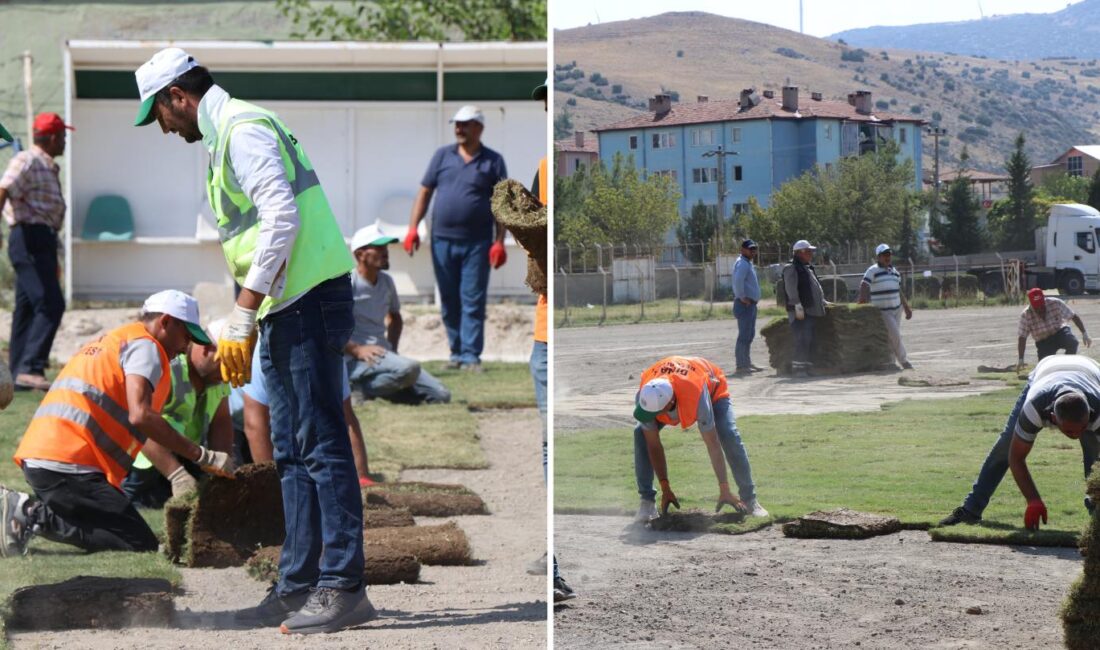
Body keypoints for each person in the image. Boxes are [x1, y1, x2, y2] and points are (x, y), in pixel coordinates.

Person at [134, 47, 373, 633]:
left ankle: (344, 585)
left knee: (320, 445)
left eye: (159, 115)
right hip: (286, 306)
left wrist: (242, 312)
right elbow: (254, 236)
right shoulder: (226, 137)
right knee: (291, 451)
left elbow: (282, 219)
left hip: (309, 300)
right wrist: (252, 313)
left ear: (177, 98)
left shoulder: (241, 129)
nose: (163, 128)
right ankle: (297, 585)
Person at [0, 290, 234, 556]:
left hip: (56, 460)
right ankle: (30, 514)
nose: (184, 347)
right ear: (166, 322)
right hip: (68, 465)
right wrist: (200, 456)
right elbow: (141, 415)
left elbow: (139, 420)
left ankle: (24, 515)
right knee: (140, 545)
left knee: (127, 535)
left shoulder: (121, 339)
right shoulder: (147, 347)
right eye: (185, 337)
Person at [940, 354, 1100, 529]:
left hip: (1091, 374)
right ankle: (970, 510)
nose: (1076, 435)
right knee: (1006, 446)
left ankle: (1097, 513)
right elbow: (1016, 458)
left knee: (1095, 457)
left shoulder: (1097, 410)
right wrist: (1033, 500)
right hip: (1046, 371)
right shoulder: (1034, 407)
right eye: (1069, 430)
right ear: (1053, 418)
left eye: (1082, 428)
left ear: (1089, 415)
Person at [404, 105, 509, 373]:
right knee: (450, 300)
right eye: (457, 125)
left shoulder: (493, 161)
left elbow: (501, 205)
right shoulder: (442, 156)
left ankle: (471, 357)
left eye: (465, 124)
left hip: (477, 243)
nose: (459, 129)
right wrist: (413, 228)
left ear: (479, 127)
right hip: (441, 241)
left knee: (472, 299)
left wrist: (499, 241)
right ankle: (456, 352)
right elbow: (424, 192)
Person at [632, 355, 768, 523]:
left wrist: (724, 488)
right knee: (640, 434)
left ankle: (750, 500)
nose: (651, 417)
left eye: (655, 413)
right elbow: (654, 445)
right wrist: (665, 487)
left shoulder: (695, 395)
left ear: (669, 404)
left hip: (712, 387)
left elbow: (712, 443)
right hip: (676, 381)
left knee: (728, 433)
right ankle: (647, 502)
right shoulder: (646, 395)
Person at [231, 340, 374, 486]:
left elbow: (345, 417)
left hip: (284, 422)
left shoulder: (331, 355)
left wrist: (361, 477)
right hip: (238, 426)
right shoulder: (265, 355)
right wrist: (274, 487)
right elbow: (255, 427)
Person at [122, 324, 234, 508]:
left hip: (187, 454)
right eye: (225, 364)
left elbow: (221, 423)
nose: (226, 375)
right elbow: (141, 424)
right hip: (146, 461)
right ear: (206, 349)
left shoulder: (217, 377)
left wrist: (223, 470)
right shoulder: (170, 370)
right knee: (130, 506)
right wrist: (177, 475)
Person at [0, 113, 73, 392]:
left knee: (27, 309)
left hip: (40, 240)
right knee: (51, 304)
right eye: (63, 136)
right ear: (53, 138)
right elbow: (3, 188)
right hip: (29, 238)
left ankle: (17, 373)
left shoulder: (45, 165)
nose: (65, 141)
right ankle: (31, 367)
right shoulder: (27, 160)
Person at [346, 224, 451, 405]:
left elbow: (395, 317)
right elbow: (328, 326)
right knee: (410, 368)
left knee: (441, 395)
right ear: (360, 254)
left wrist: (392, 348)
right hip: (356, 359)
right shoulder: (348, 283)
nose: (385, 252)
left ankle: (368, 389)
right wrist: (357, 350)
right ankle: (357, 385)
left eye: (385, 247)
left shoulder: (387, 282)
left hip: (382, 354)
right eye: (378, 248)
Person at [857, 244, 914, 370]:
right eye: (884, 255)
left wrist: (906, 307)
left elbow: (899, 290)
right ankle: (904, 361)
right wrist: (862, 300)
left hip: (896, 309)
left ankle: (890, 362)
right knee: (895, 335)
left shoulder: (895, 272)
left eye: (889, 254)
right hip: (883, 311)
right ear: (879, 257)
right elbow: (864, 284)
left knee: (892, 336)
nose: (887, 257)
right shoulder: (873, 270)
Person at [781, 240, 826, 378]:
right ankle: (799, 369)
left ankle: (807, 367)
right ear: (800, 253)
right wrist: (797, 305)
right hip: (800, 310)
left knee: (809, 339)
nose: (811, 254)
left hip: (810, 310)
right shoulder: (791, 268)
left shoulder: (807, 267)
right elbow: (790, 288)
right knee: (802, 339)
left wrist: (822, 301)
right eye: (808, 251)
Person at [1017, 287, 1091, 370]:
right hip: (1043, 341)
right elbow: (1022, 337)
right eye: (1036, 307)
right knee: (1045, 367)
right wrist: (1021, 359)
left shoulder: (1055, 303)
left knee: (1072, 342)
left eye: (1041, 305)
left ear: (1044, 300)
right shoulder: (1026, 315)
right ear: (1031, 304)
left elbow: (1073, 316)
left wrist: (1084, 333)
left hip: (1060, 332)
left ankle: (1066, 367)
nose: (1040, 309)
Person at [732, 239, 763, 376]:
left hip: (750, 304)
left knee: (749, 334)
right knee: (744, 335)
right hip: (745, 304)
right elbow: (738, 281)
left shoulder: (747, 263)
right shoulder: (743, 264)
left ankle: (746, 362)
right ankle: (741, 365)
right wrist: (741, 296)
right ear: (743, 250)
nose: (753, 251)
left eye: (754, 249)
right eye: (750, 249)